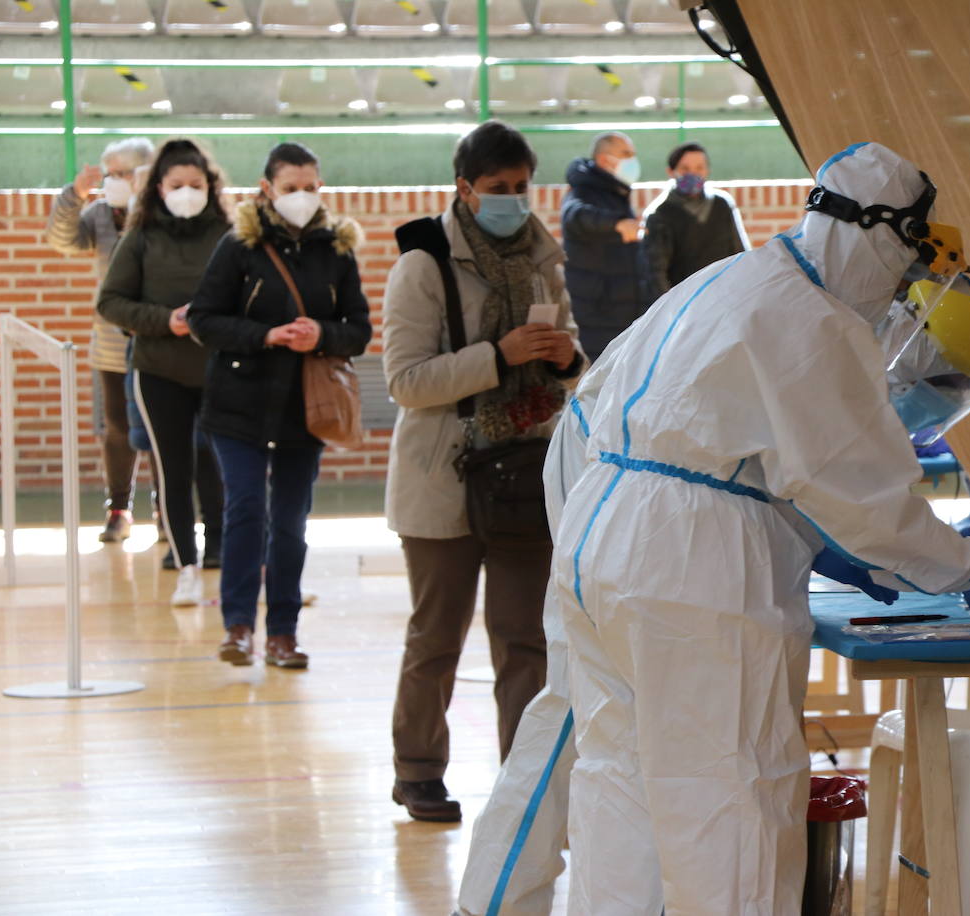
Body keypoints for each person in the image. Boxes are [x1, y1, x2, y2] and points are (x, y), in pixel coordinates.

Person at [455, 249, 970, 916]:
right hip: (610, 474)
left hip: (663, 498)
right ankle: (492, 904)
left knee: (639, 751)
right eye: (948, 378)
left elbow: (778, 464)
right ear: (913, 324)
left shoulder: (831, 314)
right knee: (579, 715)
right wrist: (949, 561)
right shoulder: (823, 318)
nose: (945, 396)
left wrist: (819, 541)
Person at [382, 121, 585, 823]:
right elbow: (407, 382)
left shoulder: (541, 258)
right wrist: (498, 355)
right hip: (444, 474)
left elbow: (568, 347)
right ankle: (417, 771)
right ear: (463, 189)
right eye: (497, 190)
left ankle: (522, 779)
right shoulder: (422, 264)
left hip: (524, 473)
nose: (513, 200)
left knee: (526, 640)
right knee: (436, 637)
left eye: (522, 187)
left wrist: (564, 357)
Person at [187, 142, 372, 668]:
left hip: (304, 409)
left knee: (290, 522)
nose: (303, 197)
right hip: (238, 407)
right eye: (291, 188)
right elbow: (204, 318)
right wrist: (265, 335)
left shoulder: (337, 249)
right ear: (267, 189)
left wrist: (322, 334)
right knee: (246, 510)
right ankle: (238, 626)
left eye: (311, 187)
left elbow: (358, 330)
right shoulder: (238, 247)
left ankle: (283, 633)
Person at [97, 138, 229, 608]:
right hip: (159, 371)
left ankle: (222, 549)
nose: (188, 192)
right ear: (159, 188)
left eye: (197, 184)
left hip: (221, 370)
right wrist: (166, 321)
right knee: (174, 467)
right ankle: (183, 559)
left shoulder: (230, 234)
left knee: (221, 464)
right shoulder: (141, 236)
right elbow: (110, 302)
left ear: (211, 187)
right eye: (178, 185)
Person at [45, 137, 155, 543]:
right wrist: (73, 196)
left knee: (165, 426)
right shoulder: (100, 214)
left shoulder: (164, 214)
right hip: (110, 343)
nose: (112, 181)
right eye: (108, 174)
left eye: (120, 174)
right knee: (117, 428)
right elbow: (61, 239)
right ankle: (119, 509)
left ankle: (167, 509)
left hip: (160, 339)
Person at [559, 131, 644, 361]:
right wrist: (615, 225)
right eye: (626, 154)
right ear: (605, 159)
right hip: (596, 318)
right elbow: (576, 217)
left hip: (619, 315)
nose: (632, 160)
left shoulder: (615, 193)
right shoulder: (583, 191)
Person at [639, 141, 750, 303]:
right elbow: (655, 271)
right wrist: (670, 306)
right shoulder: (660, 214)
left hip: (723, 298)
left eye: (699, 168)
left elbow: (739, 251)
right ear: (671, 172)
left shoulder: (721, 204)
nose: (693, 174)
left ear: (707, 170)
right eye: (685, 169)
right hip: (685, 302)